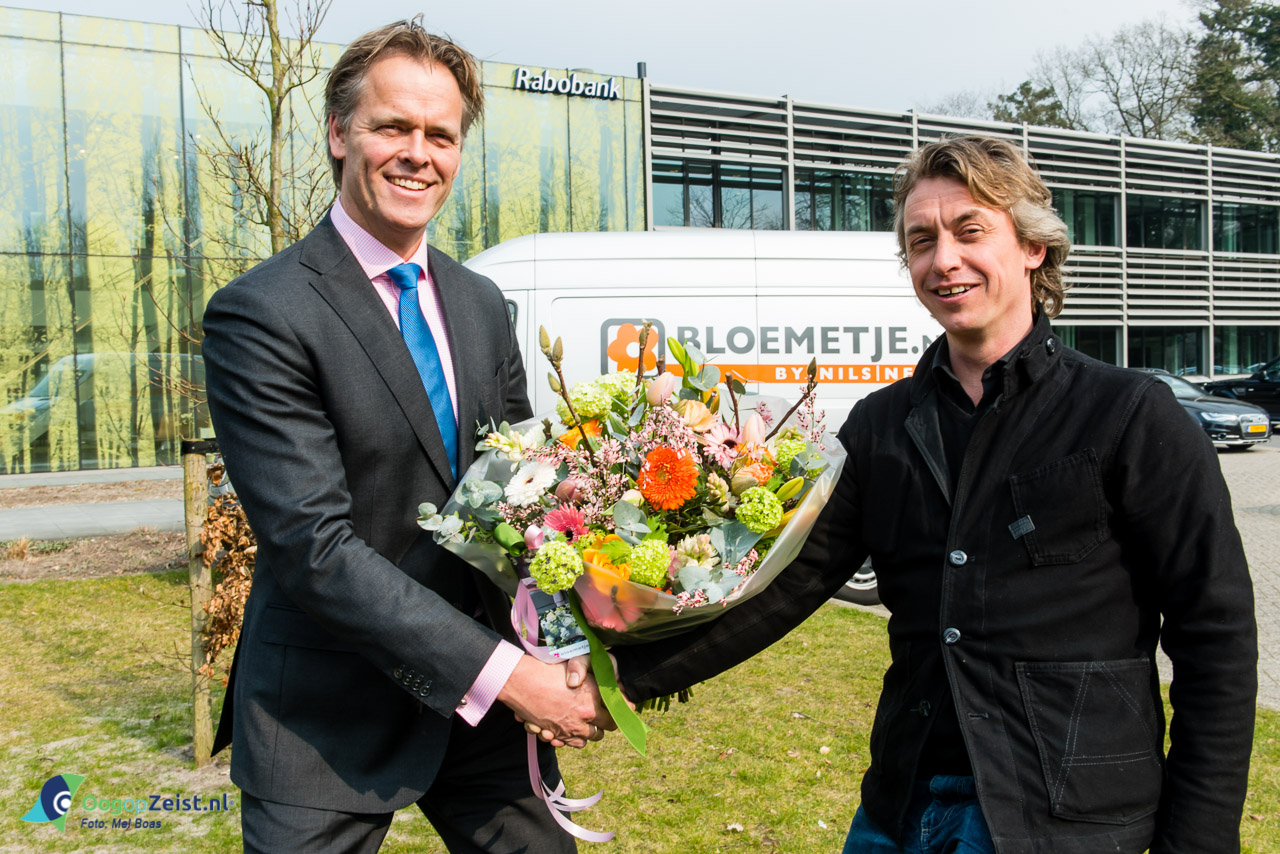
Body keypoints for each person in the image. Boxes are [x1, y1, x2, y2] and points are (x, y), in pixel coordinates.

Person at [605, 136, 1258, 853]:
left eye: (970, 231)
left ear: (1033, 248)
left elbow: (1215, 636)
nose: (943, 259)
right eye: (922, 241)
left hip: (1062, 819)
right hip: (902, 807)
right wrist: (617, 680)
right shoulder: (882, 427)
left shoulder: (1130, 414)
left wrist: (1199, 839)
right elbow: (785, 587)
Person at [202, 19, 610, 854]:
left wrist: (573, 638)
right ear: (339, 133)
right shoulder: (263, 313)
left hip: (484, 711)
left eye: (440, 134)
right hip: (325, 712)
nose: (417, 152)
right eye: (393, 126)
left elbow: (525, 493)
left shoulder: (480, 303)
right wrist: (511, 677)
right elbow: (313, 547)